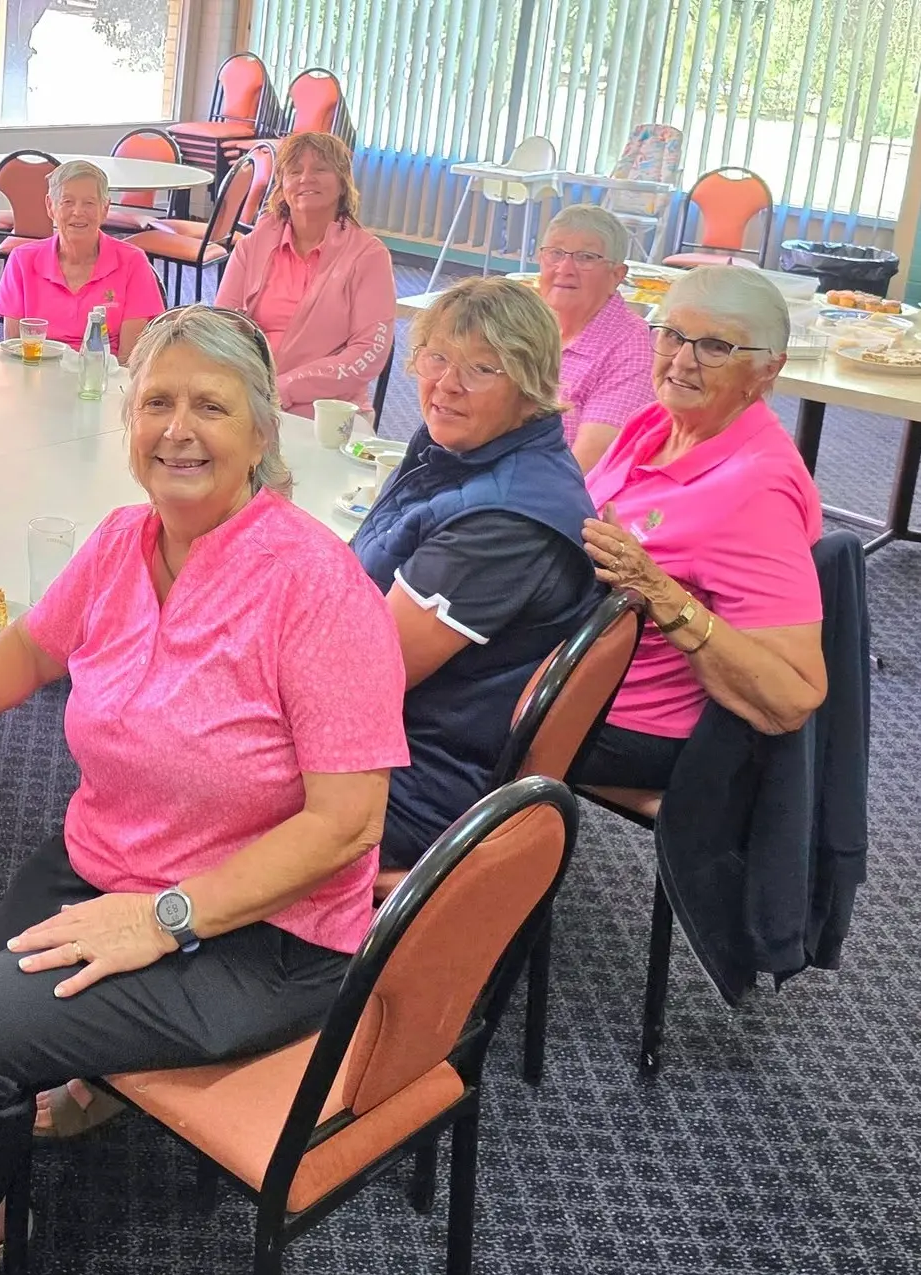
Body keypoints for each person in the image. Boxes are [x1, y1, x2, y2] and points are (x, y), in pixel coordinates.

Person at [0, 306, 408, 1275]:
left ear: (261, 434)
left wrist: (162, 919)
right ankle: (98, 1075)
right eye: (156, 401)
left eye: (210, 406)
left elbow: (347, 824)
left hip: (263, 930)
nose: (177, 429)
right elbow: (31, 646)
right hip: (112, 864)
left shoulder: (319, 589)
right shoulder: (121, 541)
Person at [350, 278, 598, 870]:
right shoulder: (465, 447)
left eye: (483, 368)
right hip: (402, 737)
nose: (446, 385)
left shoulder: (504, 523)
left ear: (531, 388)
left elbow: (365, 678)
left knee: (150, 706)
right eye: (437, 356)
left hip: (413, 779)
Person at [574, 265, 827, 792]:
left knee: (432, 702)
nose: (682, 361)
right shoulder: (655, 423)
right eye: (671, 334)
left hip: (626, 720)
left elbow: (794, 698)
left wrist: (657, 590)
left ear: (766, 371)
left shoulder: (756, 492)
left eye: (714, 346)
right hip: (574, 668)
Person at [212, 131, 395, 419]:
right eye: (294, 171)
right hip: (251, 396)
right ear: (282, 186)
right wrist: (252, 388)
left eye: (320, 169)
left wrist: (285, 388)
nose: (305, 178)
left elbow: (368, 353)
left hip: (328, 409)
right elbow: (222, 328)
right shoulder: (251, 246)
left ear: (342, 183)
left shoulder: (369, 256)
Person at [0, 160, 165, 359]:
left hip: (103, 380)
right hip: (38, 375)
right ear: (50, 206)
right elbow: (14, 350)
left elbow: (130, 360)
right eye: (67, 202)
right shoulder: (22, 260)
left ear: (105, 209)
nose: (78, 212)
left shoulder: (133, 262)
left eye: (89, 203)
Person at [534, 204, 657, 470]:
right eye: (555, 253)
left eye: (586, 257)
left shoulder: (633, 349)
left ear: (617, 275)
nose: (565, 268)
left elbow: (586, 470)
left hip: (548, 498)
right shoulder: (525, 322)